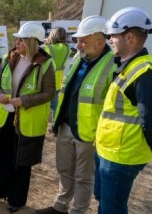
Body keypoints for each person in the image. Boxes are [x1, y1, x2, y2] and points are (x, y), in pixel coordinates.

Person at [36, 16, 116, 214]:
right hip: (66, 125)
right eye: (78, 39)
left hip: (89, 132)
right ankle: (60, 205)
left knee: (83, 176)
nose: (77, 44)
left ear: (99, 42)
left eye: (83, 40)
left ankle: (78, 210)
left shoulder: (113, 64)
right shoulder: (80, 57)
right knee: (64, 169)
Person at [94, 7, 152, 214]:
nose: (109, 40)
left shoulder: (146, 72)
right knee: (104, 202)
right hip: (108, 150)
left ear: (129, 37)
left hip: (122, 157)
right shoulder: (126, 66)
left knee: (112, 209)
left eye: (113, 36)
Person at [0, 22, 56, 213]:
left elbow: (49, 93)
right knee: (2, 156)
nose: (16, 43)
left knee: (20, 160)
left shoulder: (45, 63)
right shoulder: (11, 57)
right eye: (16, 39)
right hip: (5, 117)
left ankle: (16, 200)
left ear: (32, 42)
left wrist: (24, 101)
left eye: (21, 40)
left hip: (26, 121)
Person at [43, 27, 71, 119]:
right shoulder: (67, 49)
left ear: (52, 35)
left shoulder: (47, 48)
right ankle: (55, 126)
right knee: (55, 106)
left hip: (46, 83)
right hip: (58, 83)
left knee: (43, 106)